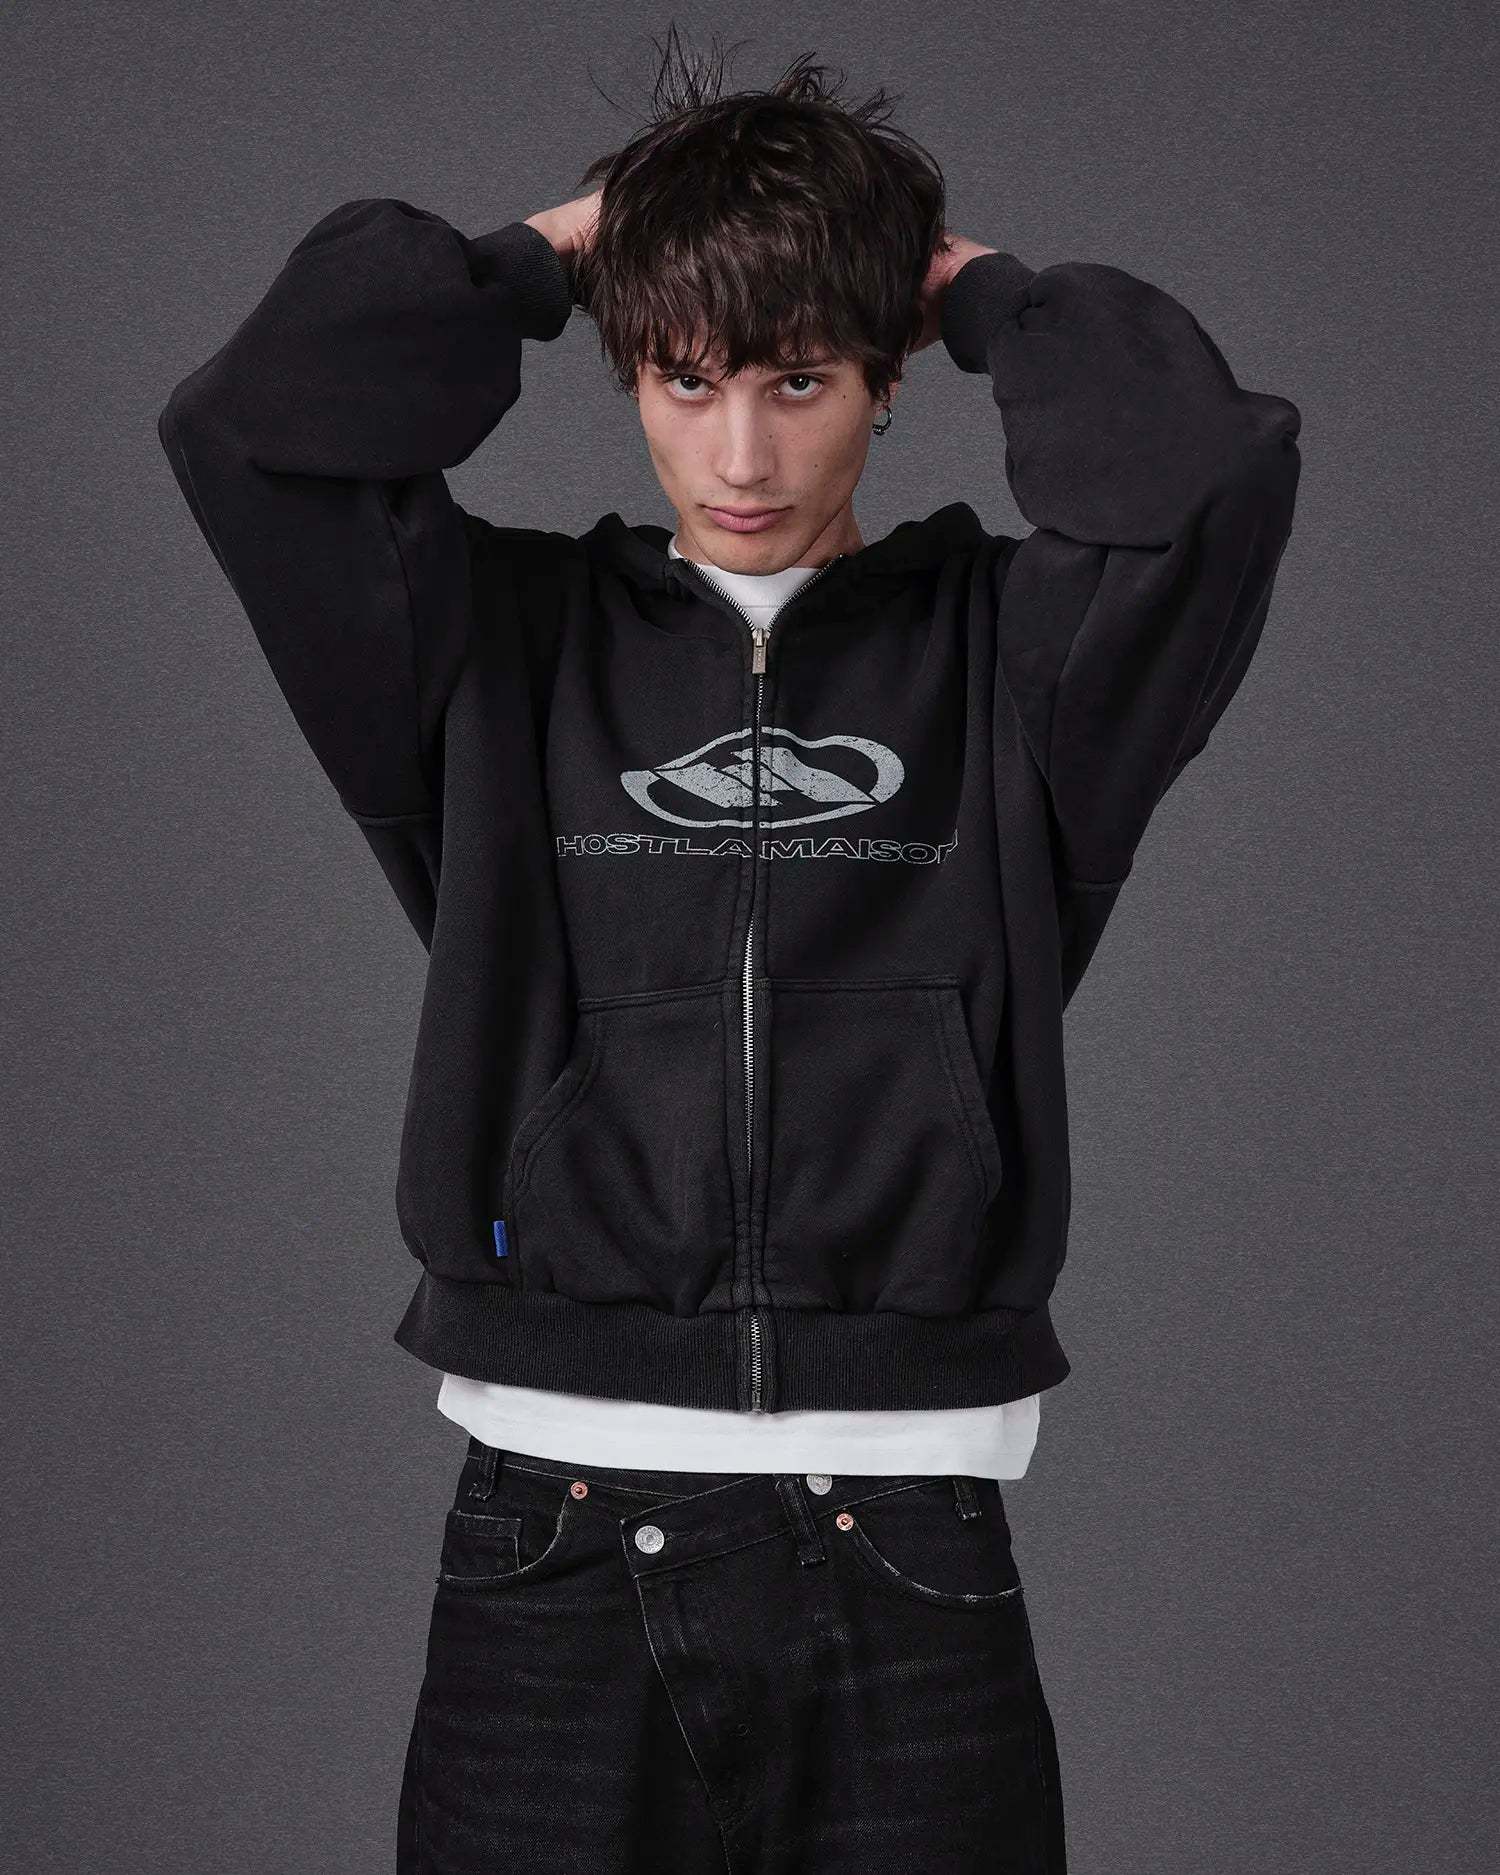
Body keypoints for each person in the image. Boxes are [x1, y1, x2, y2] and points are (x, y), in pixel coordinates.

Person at [156, 35, 1301, 1875]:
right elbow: (253, 428)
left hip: (907, 1539)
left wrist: (974, 286)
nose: (743, 454)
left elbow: (1213, 475)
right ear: (628, 373)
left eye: (801, 377)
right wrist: (546, 256)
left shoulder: (1021, 669)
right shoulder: (489, 651)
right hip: (555, 1528)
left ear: (887, 378)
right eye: (686, 381)